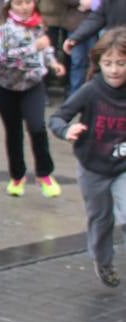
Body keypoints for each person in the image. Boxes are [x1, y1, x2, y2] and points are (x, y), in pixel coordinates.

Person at [51, 27, 126, 287]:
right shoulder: (91, 91)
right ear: (99, 64)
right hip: (93, 165)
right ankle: (103, 262)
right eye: (108, 63)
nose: (114, 70)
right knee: (101, 218)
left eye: (120, 63)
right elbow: (58, 117)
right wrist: (66, 130)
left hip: (122, 166)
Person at [0, 0, 64, 197]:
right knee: (13, 132)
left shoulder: (38, 25)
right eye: (19, 2)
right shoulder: (4, 30)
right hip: (7, 86)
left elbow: (46, 47)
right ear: (9, 6)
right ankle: (17, 176)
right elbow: (4, 57)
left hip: (33, 83)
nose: (24, 6)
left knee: (37, 126)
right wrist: (35, 48)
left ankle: (44, 173)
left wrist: (53, 63)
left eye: (28, 2)